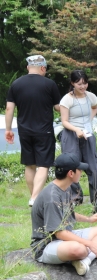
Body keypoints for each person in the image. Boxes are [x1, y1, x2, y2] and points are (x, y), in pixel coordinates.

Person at [30, 153, 97, 276]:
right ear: (71, 173)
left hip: (65, 237)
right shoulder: (51, 197)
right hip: (46, 245)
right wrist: (90, 244)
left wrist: (89, 219)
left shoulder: (66, 187)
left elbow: (68, 212)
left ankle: (85, 260)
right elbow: (58, 233)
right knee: (78, 249)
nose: (81, 172)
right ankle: (91, 253)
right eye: (79, 169)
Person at [5, 55, 61, 207]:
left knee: (29, 165)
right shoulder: (49, 84)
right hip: (44, 132)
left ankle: (34, 200)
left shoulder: (16, 84)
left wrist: (8, 129)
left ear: (28, 67)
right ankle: (35, 198)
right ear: (43, 68)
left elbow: (9, 108)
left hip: (24, 131)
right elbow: (57, 107)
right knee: (43, 165)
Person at [59, 70, 97, 209]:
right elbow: (64, 121)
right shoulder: (67, 99)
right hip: (71, 135)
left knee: (93, 168)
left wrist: (88, 121)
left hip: (87, 135)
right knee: (71, 167)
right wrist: (77, 129)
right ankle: (75, 198)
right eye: (79, 84)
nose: (83, 86)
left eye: (85, 83)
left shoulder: (91, 96)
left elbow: (95, 108)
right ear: (73, 83)